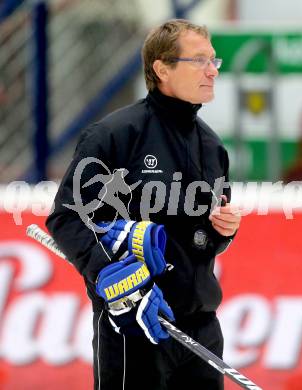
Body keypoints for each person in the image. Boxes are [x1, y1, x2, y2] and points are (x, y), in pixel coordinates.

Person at [46, 19, 241, 390]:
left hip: (200, 329)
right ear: (162, 67)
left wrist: (222, 231)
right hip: (135, 325)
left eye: (214, 61)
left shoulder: (213, 147)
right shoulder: (114, 136)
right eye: (199, 60)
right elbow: (67, 218)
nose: (212, 71)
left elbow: (201, 240)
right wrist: (105, 270)